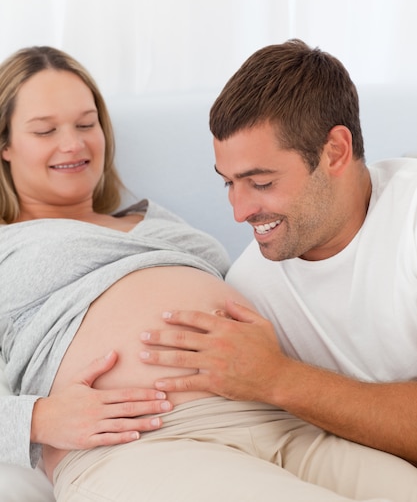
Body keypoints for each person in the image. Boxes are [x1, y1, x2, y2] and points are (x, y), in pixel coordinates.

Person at [0, 45, 398, 502]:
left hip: (280, 421)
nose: (73, 143)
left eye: (86, 124)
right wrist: (38, 420)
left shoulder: (166, 223)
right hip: (146, 442)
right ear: (5, 144)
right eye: (45, 130)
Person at [138, 39, 417, 499]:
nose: (239, 211)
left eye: (261, 182)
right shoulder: (252, 289)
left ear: (335, 151)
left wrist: (278, 378)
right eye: (229, 183)